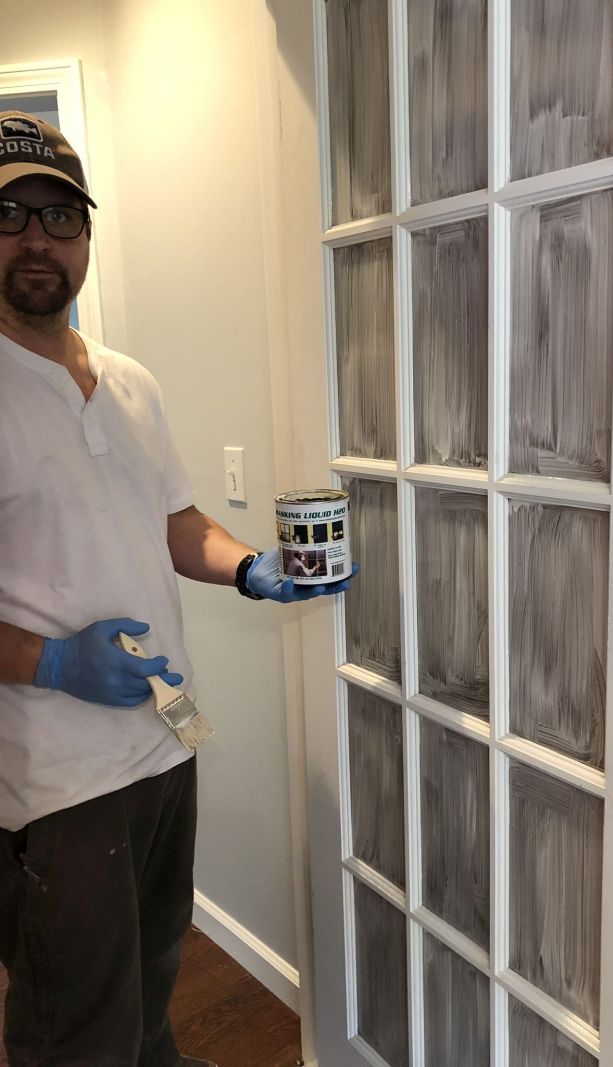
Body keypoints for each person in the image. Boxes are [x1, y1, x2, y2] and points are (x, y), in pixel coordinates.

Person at [0, 111, 354, 1067]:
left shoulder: (129, 380)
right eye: (11, 212)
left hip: (166, 730)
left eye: (60, 216)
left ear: (86, 236)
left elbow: (177, 522)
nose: (39, 238)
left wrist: (248, 565)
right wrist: (54, 662)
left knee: (159, 954)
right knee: (75, 1010)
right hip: (57, 775)